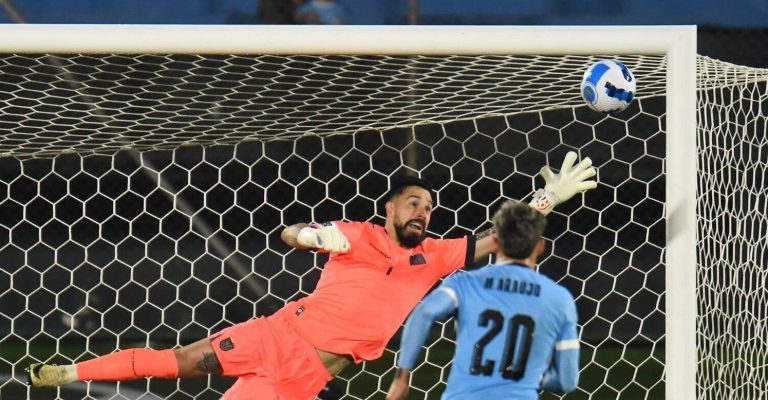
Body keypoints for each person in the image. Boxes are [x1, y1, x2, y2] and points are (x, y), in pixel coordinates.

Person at [27, 152, 595, 400]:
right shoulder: (358, 235)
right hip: (278, 331)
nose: (423, 212)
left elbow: (504, 237)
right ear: (390, 209)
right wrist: (311, 234)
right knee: (179, 361)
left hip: (301, 379)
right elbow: (290, 233)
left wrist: (550, 197)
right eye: (412, 203)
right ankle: (65, 370)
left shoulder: (437, 257)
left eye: (428, 207)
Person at [385, 200, 580, 400]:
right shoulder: (560, 299)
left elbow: (424, 312)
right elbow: (567, 381)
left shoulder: (464, 283)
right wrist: (532, 376)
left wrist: (402, 377)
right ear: (540, 246)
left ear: (495, 242)